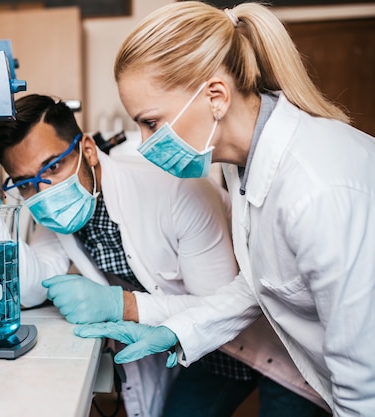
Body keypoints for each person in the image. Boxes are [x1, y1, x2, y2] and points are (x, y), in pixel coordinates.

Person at [72, 2, 375, 416]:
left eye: (152, 123)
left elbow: (365, 382)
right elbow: (260, 284)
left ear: (216, 96)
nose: (144, 144)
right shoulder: (241, 165)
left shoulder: (317, 188)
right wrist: (177, 330)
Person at [0, 94, 324, 417]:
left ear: (87, 149)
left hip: (274, 341)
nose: (45, 191)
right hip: (195, 354)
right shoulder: (54, 218)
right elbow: (28, 291)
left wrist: (121, 304)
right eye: (26, 185)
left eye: (53, 167)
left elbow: (221, 310)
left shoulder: (176, 193)